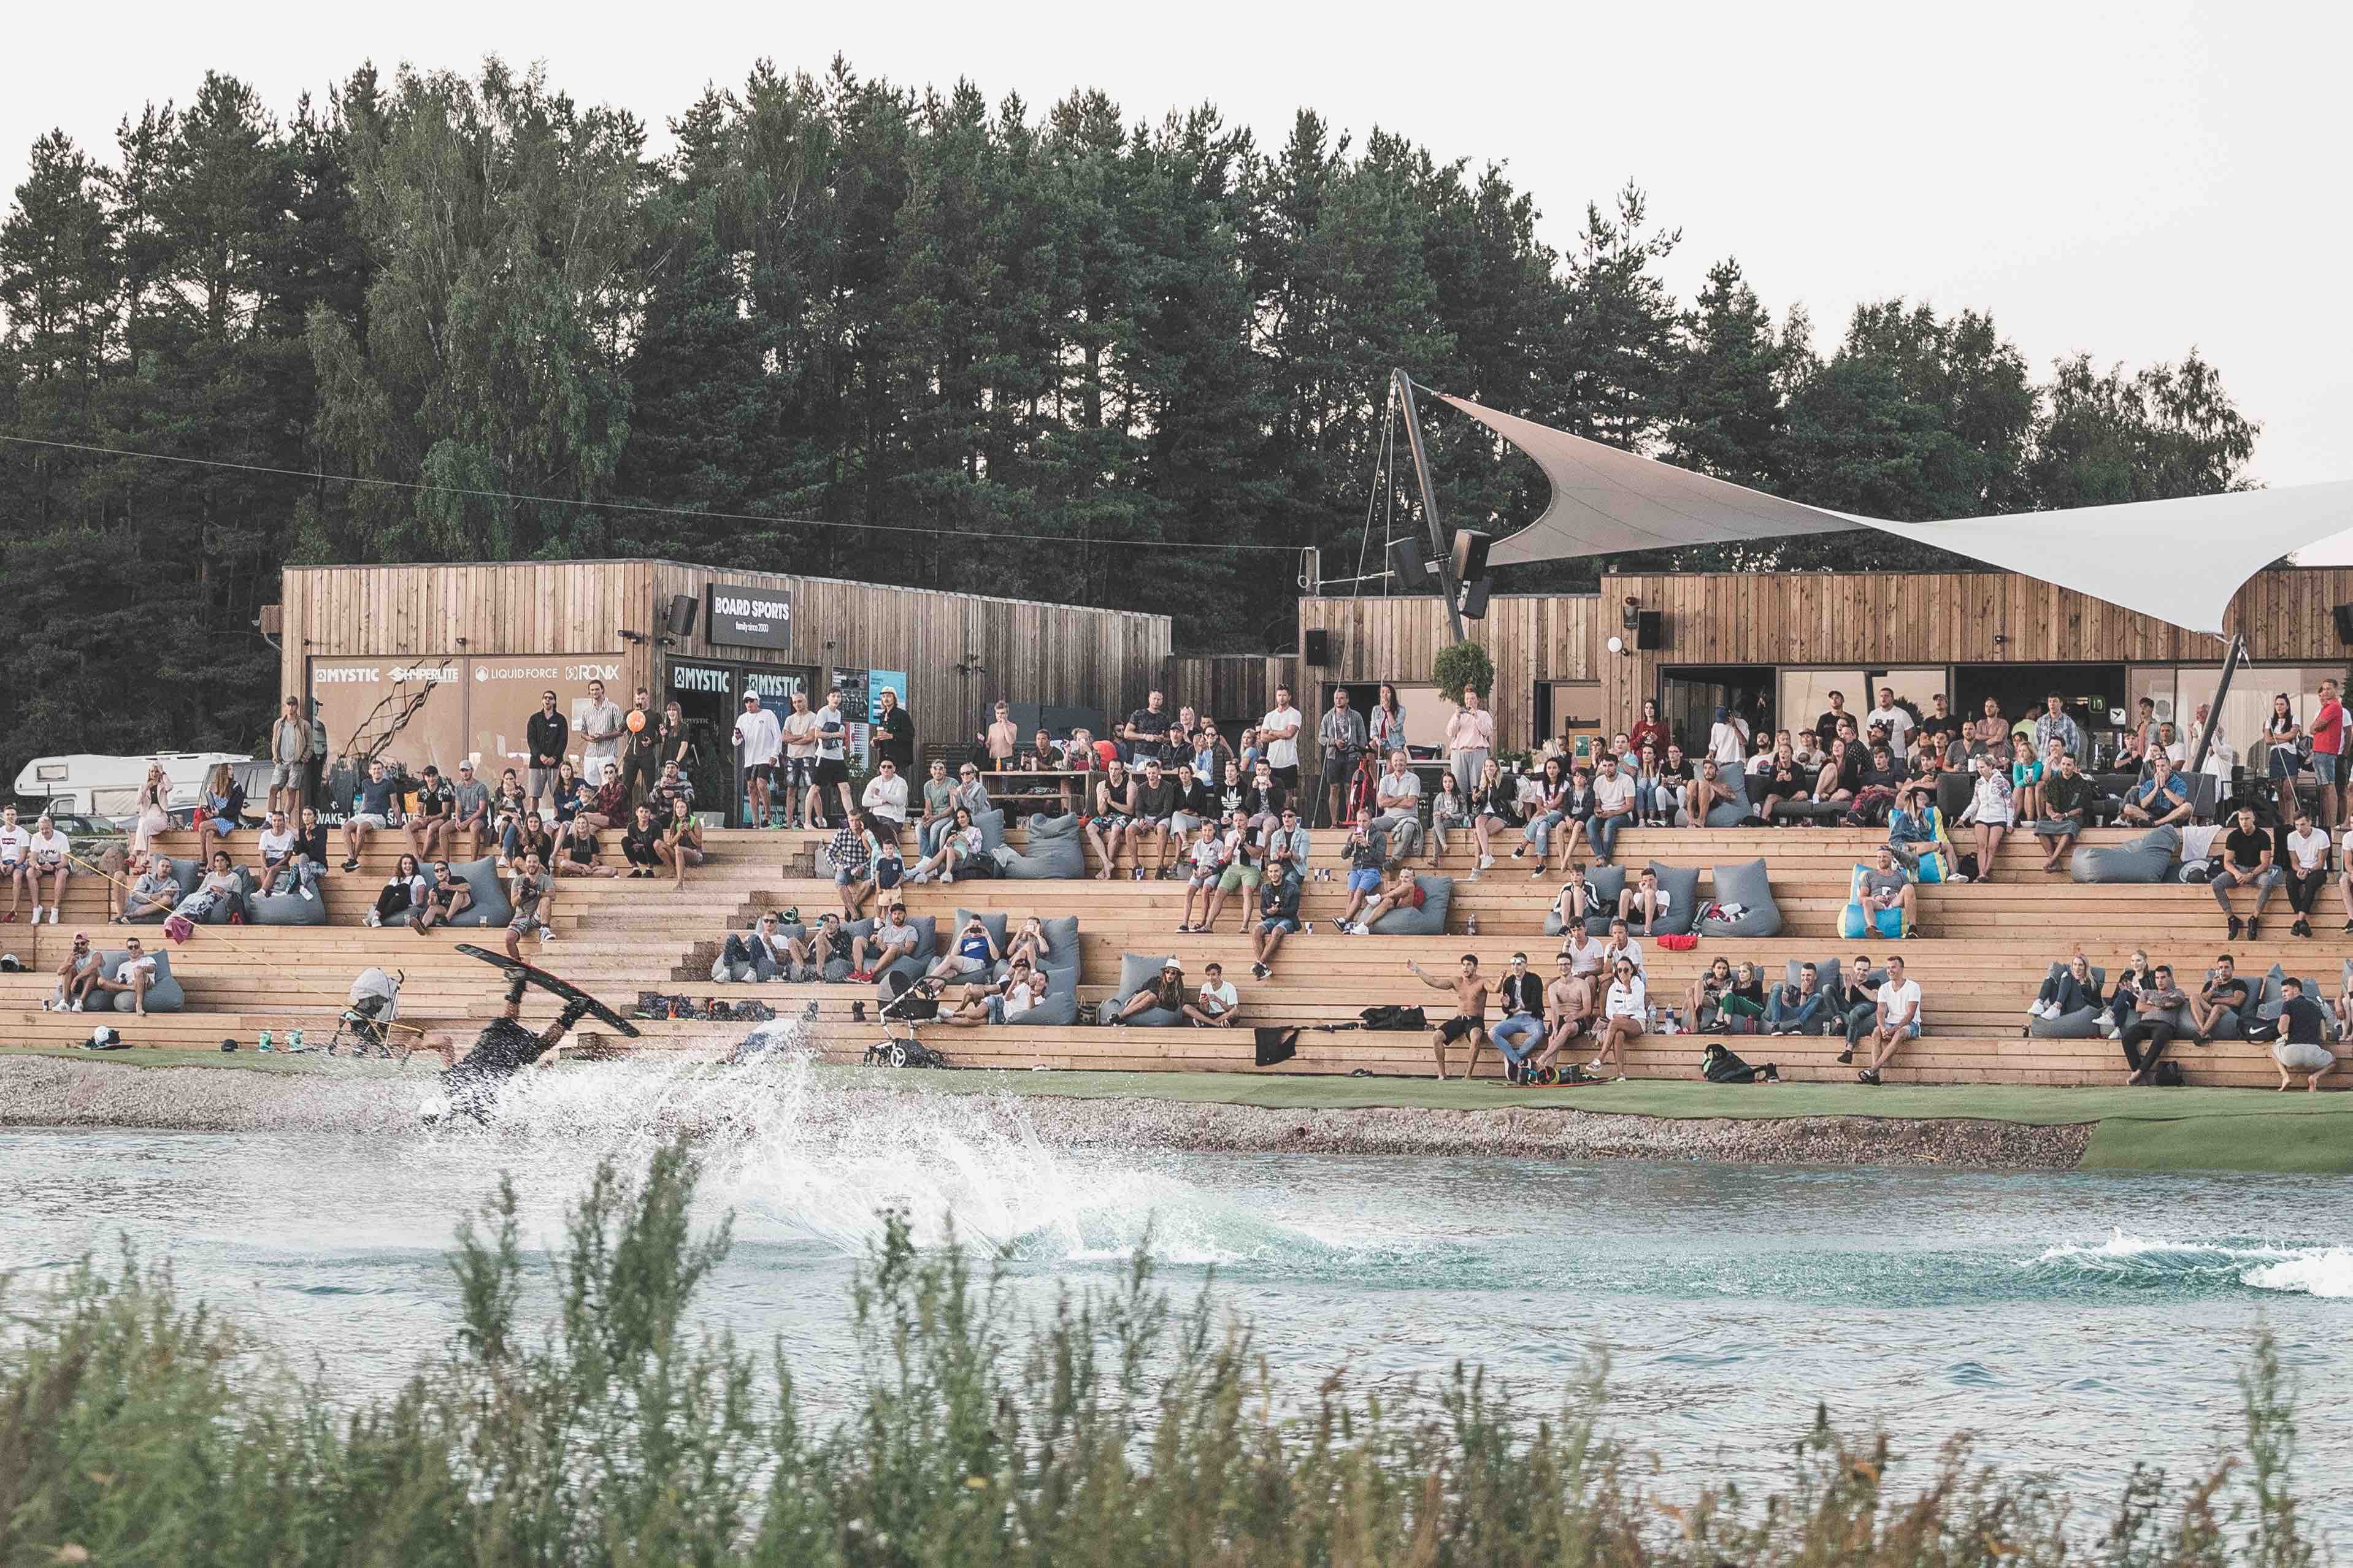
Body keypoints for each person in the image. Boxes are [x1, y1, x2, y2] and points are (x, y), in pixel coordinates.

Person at [1408, 953, 1491, 1080]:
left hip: (1475, 1020)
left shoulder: (1482, 982)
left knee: (1476, 1036)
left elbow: (1495, 989)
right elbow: (1434, 982)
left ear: (1475, 967)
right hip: (1459, 1019)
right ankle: (1442, 1074)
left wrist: (1501, 980)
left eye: (1469, 965)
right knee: (1437, 1036)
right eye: (1463, 965)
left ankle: (1468, 1075)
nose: (1465, 968)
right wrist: (1417, 970)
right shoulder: (1457, 981)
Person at [2210, 804, 2281, 939]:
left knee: (2267, 882)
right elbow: (2227, 862)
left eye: (2247, 819)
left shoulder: (2263, 836)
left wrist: (2252, 874)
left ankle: (2254, 918)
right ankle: (2231, 919)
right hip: (2239, 870)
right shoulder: (2233, 836)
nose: (2244, 822)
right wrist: (2237, 874)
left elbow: (2265, 864)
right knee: (2216, 883)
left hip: (2257, 871)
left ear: (2253, 818)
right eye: (2241, 819)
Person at [1852, 954, 1919, 1084]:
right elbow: (1881, 1012)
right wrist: (1883, 1028)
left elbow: (1910, 1014)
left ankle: (1873, 1069)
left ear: (1902, 969)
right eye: (1888, 968)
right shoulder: (1884, 988)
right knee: (1876, 1032)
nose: (1890, 971)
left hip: (1911, 1024)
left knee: (1900, 1033)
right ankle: (1875, 1076)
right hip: (1890, 1022)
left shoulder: (1913, 987)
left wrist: (1893, 1029)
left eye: (1893, 967)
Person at [2120, 964, 2189, 1085]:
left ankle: (2139, 1073)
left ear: (2170, 978)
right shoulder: (2147, 992)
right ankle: (2139, 1073)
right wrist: (2160, 1005)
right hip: (2145, 1023)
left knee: (2160, 1036)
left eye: (2163, 978)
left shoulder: (2178, 992)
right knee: (2127, 1037)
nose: (2160, 981)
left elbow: (2171, 1004)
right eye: (2157, 978)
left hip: (2165, 1025)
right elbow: (2139, 1007)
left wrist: (2152, 1003)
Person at [2266, 977, 2337, 1092]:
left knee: (2273, 1050)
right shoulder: (2316, 1008)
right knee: (2333, 1062)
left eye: (2286, 991)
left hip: (2291, 1054)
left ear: (2296, 990)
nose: (2283, 995)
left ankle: (2286, 1077)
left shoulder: (2287, 1005)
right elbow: (2323, 1036)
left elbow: (2282, 1029)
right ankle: (2315, 1077)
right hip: (2314, 1053)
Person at [2031, 751, 2096, 873]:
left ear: (2075, 767)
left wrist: (2065, 815)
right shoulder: (2053, 782)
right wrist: (2052, 815)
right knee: (2040, 825)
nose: (2065, 767)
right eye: (2064, 764)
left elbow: (2082, 809)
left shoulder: (2082, 784)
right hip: (2056, 817)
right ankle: (2055, 862)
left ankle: (2052, 860)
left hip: (2073, 817)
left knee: (2071, 827)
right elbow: (2048, 806)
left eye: (2069, 765)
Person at [1956, 752, 2014, 882]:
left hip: (1998, 817)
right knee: (1981, 845)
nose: (1980, 770)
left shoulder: (2002, 782)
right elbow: (1975, 803)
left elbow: (2009, 803)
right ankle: (1981, 873)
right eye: (1978, 768)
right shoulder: (1979, 783)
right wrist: (1963, 818)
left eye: (1982, 767)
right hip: (1982, 816)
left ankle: (1985, 872)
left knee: (1992, 846)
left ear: (1990, 767)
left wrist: (2010, 822)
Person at [1489, 953, 1548, 1080]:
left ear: (1526, 965)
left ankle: (1513, 1058)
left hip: (1532, 1017)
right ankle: (1517, 1061)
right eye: (1513, 964)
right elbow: (1507, 1010)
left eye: (1519, 964)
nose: (1515, 967)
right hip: (1514, 1019)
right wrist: (1505, 1005)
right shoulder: (1509, 982)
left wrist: (1521, 1007)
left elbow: (1536, 1003)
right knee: (1492, 1033)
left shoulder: (1535, 979)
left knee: (1539, 1033)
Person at [1535, 954, 1595, 1074]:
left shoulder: (1582, 984)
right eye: (1561, 965)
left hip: (1578, 1020)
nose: (1564, 967)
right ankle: (1548, 1076)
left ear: (1572, 966)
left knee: (1567, 1027)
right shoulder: (1553, 987)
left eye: (1566, 964)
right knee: (1553, 1040)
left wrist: (1574, 1016)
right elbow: (1555, 1010)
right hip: (1560, 1018)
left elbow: (1587, 1010)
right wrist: (1555, 1028)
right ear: (1557, 966)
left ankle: (1543, 1056)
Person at [1197, 825, 1264, 934]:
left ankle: (1245, 926)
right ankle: (1208, 925)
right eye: (1236, 820)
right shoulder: (1231, 835)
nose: (1239, 823)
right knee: (1219, 892)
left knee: (1247, 891)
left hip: (1251, 867)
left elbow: (1257, 855)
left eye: (1241, 820)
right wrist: (1233, 846)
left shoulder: (1257, 834)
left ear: (1247, 821)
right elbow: (1226, 859)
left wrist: (1244, 843)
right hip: (1234, 867)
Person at [1589, 955, 1645, 1080]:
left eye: (1626, 970)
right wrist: (1618, 1016)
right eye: (1619, 970)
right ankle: (1621, 1074)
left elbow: (1633, 1006)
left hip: (1636, 1022)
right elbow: (1609, 1012)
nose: (1622, 973)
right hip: (1619, 1022)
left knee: (1614, 1024)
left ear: (1632, 970)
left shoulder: (1638, 985)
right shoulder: (1613, 988)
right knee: (1618, 1034)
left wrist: (1628, 988)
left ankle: (1600, 1058)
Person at [77, 933, 159, 1015]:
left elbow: (152, 969)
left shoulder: (148, 959)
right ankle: (133, 988)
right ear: (127, 950)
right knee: (101, 981)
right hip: (129, 985)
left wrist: (143, 968)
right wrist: (110, 982)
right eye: (131, 947)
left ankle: (139, 1005)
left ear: (140, 949)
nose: (134, 949)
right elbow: (117, 980)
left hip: (145, 982)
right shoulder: (123, 966)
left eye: (136, 947)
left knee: (137, 971)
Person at [1127, 760, 1184, 879]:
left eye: (1154, 773)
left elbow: (1167, 810)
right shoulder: (1142, 788)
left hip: (1162, 817)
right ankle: (1136, 866)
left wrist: (1154, 821)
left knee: (1162, 828)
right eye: (1149, 773)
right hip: (1146, 816)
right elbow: (1138, 809)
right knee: (1129, 830)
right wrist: (1141, 819)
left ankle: (1160, 866)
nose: (1151, 776)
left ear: (1159, 772)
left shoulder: (1167, 786)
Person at [1512, 756, 1570, 870]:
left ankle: (1522, 847)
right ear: (1546, 770)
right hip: (1544, 817)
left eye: (1554, 768)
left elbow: (1558, 802)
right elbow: (1538, 803)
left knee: (1538, 819)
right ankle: (1541, 865)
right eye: (1549, 768)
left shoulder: (1564, 784)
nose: (1551, 770)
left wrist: (1543, 811)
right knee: (1542, 829)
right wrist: (1541, 811)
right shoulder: (1541, 785)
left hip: (1558, 815)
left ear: (1559, 770)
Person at [340, 760, 398, 871]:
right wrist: (360, 814)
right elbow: (365, 801)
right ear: (370, 771)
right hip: (364, 814)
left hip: (379, 816)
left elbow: (395, 804)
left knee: (361, 827)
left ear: (383, 770)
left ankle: (353, 861)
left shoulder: (389, 784)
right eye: (374, 769)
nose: (377, 771)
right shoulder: (366, 783)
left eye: (379, 769)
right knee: (346, 827)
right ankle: (352, 859)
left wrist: (400, 823)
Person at [2279, 809, 2328, 938]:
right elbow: (2294, 862)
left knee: (2311, 883)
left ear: (2310, 823)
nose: (2299, 829)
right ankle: (2302, 923)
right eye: (2297, 825)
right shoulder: (2292, 836)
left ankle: (2299, 921)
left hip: (2316, 869)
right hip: (2301, 868)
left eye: (2303, 825)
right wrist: (2299, 870)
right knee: (2290, 882)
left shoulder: (2321, 835)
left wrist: (2309, 871)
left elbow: (2321, 863)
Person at [849, 902, 923, 984]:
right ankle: (858, 973)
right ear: (891, 916)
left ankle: (870, 974)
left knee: (894, 946)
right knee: (858, 939)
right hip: (880, 951)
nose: (897, 916)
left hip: (895, 953)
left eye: (900, 914)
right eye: (894, 914)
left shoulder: (910, 930)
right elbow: (877, 945)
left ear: (905, 915)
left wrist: (891, 948)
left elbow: (908, 950)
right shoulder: (884, 930)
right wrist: (874, 941)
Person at [1249, 865, 1302, 979]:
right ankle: (1262, 967)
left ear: (1282, 872)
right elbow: (1263, 909)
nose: (1274, 874)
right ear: (1268, 873)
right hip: (1271, 919)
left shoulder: (1293, 887)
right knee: (1257, 930)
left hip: (1288, 920)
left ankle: (1260, 964)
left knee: (1277, 931)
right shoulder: (1265, 887)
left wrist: (1279, 910)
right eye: (1271, 871)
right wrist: (1269, 911)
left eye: (1276, 871)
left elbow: (1294, 910)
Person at [909, 806, 984, 886]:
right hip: (951, 853)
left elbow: (977, 851)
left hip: (966, 855)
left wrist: (965, 841)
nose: (960, 820)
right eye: (958, 818)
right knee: (946, 849)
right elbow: (945, 849)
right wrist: (948, 842)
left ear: (968, 818)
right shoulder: (955, 831)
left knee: (948, 849)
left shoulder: (975, 831)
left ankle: (948, 873)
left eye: (963, 817)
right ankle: (923, 873)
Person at [2026, 953, 2103, 1030]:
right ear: (2072, 966)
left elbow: (2099, 1006)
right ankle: (2039, 1003)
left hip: (2080, 1011)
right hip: (2064, 1010)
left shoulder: (2092, 983)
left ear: (2085, 967)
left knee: (2067, 975)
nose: (2077, 968)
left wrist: (2084, 998)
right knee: (2050, 979)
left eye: (2080, 965)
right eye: (2075, 964)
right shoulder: (2067, 981)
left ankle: (2057, 1006)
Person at [1443, 686, 1494, 801]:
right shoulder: (1459, 715)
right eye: (1467, 699)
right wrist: (1456, 717)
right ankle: (1461, 814)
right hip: (1459, 753)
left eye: (1472, 698)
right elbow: (1450, 733)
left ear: (1478, 700)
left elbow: (1488, 731)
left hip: (1478, 752)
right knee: (1459, 785)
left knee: (1479, 785)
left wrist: (1476, 717)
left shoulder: (1483, 714)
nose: (1469, 701)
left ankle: (1477, 813)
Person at [266, 695, 315, 817]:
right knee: (273, 789)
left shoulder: (304, 725)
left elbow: (311, 745)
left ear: (297, 707)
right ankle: (268, 819)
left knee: (291, 790)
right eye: (288, 705)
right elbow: (274, 741)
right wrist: (275, 757)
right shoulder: (279, 723)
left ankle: (286, 817)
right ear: (285, 706)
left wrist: (303, 759)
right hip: (281, 762)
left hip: (296, 762)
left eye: (293, 705)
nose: (290, 707)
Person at [1370, 750, 1424, 860]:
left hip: (1408, 817)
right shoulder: (1385, 780)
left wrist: (1390, 801)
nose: (1398, 763)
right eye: (1395, 760)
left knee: (1408, 828)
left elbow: (1410, 803)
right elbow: (1381, 803)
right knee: (1372, 824)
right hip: (1389, 817)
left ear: (1406, 762)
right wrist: (1401, 798)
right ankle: (1375, 856)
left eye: (1401, 760)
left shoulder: (1414, 779)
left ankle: (1394, 860)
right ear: (1391, 762)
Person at [813, 686, 855, 827]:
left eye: (839, 697)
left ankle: (852, 820)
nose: (836, 699)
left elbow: (840, 735)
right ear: (828, 697)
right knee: (815, 789)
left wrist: (841, 737)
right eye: (834, 696)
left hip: (838, 756)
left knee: (845, 788)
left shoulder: (838, 714)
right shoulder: (823, 712)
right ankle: (811, 821)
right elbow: (817, 734)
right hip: (824, 756)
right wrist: (835, 735)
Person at [1084, 761, 1134, 881]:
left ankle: (1106, 868)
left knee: (1116, 828)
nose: (1113, 773)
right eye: (1111, 769)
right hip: (1109, 815)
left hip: (1124, 815)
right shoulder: (1102, 785)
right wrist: (1103, 800)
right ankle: (1107, 863)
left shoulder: (1130, 785)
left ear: (1122, 770)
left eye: (1116, 769)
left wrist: (1112, 802)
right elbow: (1101, 812)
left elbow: (1130, 810)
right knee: (1090, 828)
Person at [1345, 859, 1422, 935]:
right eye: (1401, 877)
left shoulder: (1416, 889)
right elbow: (1393, 901)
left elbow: (1416, 905)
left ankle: (1379, 897)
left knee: (1408, 886)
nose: (1403, 880)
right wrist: (1392, 891)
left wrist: (1402, 893)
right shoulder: (1397, 887)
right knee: (1388, 900)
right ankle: (1364, 927)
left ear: (1413, 878)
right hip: (1396, 912)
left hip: (1407, 913)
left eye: (1407, 877)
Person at [2185, 953, 2250, 1042]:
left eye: (2226, 967)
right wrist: (2212, 988)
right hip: (2211, 1011)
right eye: (2220, 968)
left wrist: (2215, 1000)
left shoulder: (2239, 983)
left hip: (2229, 1014)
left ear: (2233, 968)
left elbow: (2237, 1001)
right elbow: (2201, 1001)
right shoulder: (2211, 984)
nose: (2223, 970)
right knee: (2194, 997)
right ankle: (2204, 1033)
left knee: (2218, 1007)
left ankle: (2202, 1033)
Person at [1851, 846, 1914, 938]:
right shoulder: (1869, 875)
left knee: (1909, 887)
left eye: (1884, 857)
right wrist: (1875, 898)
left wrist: (1895, 896)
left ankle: (1913, 928)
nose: (1881, 859)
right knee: (1866, 901)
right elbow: (1861, 898)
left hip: (1895, 902)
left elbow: (1909, 896)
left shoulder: (1901, 875)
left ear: (1892, 858)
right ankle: (1873, 929)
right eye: (1879, 857)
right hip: (1878, 903)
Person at [1178, 820, 1229, 933]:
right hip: (1200, 871)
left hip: (1212, 871)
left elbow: (1222, 864)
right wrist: (1194, 870)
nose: (1207, 833)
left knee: (1205, 890)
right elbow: (1193, 861)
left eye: (1210, 830)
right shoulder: (1198, 843)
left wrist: (1210, 872)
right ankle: (1185, 924)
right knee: (1189, 892)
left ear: (1214, 831)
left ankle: (1203, 922)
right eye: (1205, 830)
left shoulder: (1219, 844)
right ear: (1202, 831)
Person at [1587, 753, 1637, 867]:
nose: (1607, 769)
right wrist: (1598, 811)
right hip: (1604, 813)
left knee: (1610, 824)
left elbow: (1630, 806)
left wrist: (1612, 814)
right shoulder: (1598, 781)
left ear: (1617, 766)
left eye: (1610, 765)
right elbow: (1597, 805)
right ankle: (1602, 860)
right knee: (1590, 823)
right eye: (1604, 766)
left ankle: (1604, 860)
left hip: (1622, 815)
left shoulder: (1627, 780)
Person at [1467, 759, 1515, 876]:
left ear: (1497, 768)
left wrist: (1492, 782)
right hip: (1486, 815)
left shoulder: (1504, 782)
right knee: (1478, 820)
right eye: (1487, 767)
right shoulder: (1482, 785)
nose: (1489, 769)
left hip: (1500, 815)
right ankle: (1487, 856)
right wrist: (1474, 800)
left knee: (1477, 834)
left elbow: (1499, 797)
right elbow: (1478, 807)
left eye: (1491, 766)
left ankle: (1476, 869)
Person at [2117, 755, 2192, 828]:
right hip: (2150, 816)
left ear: (2169, 767)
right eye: (2158, 766)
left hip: (2171, 816)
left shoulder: (2179, 783)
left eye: (2163, 766)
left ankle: (2156, 824)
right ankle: (2154, 823)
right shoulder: (2149, 784)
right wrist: (2156, 788)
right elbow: (2143, 805)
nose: (2160, 769)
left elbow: (2179, 802)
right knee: (2127, 808)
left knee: (2188, 807)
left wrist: (2163, 788)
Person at [1832, 955, 1881, 1063]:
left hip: (1868, 1006)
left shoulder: (1875, 982)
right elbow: (1847, 1007)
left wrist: (1857, 984)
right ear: (1854, 969)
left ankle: (1849, 1049)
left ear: (1869, 971)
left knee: (1854, 1012)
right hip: (1853, 1012)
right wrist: (1849, 989)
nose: (1861, 972)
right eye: (1859, 969)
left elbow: (1874, 998)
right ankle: (1848, 1053)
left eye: (1865, 970)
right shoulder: (1848, 985)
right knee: (1850, 1013)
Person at [525, 690, 570, 809]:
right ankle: (532, 819)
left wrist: (554, 757)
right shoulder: (534, 719)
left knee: (558, 795)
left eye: (550, 698)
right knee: (534, 795)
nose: (547, 700)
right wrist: (540, 755)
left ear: (554, 701)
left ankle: (558, 820)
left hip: (555, 764)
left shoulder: (561, 720)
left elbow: (563, 741)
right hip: (536, 763)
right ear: (542, 701)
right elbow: (531, 740)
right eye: (545, 698)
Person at [398, 763, 451, 860]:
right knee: (406, 827)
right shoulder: (422, 791)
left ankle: (423, 857)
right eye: (428, 776)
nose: (431, 779)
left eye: (433, 776)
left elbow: (445, 813)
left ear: (437, 776)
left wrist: (430, 819)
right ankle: (416, 857)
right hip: (428, 818)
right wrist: (420, 818)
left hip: (442, 819)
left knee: (431, 827)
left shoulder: (445, 791)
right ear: (425, 777)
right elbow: (420, 810)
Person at [783, 911, 855, 981]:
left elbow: (844, 951)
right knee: (791, 941)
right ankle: (802, 970)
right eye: (827, 923)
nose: (829, 925)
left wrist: (821, 935)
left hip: (833, 956)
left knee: (819, 938)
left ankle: (819, 973)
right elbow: (810, 950)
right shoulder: (821, 935)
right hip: (816, 957)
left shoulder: (844, 935)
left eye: (833, 923)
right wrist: (822, 932)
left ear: (838, 925)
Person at [408, 859, 474, 935]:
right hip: (448, 908)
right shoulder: (436, 886)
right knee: (432, 908)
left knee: (460, 892)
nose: (439, 872)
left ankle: (446, 919)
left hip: (464, 905)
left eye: (442, 870)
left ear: (448, 871)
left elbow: (468, 887)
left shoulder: (458, 879)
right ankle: (423, 926)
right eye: (437, 871)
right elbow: (435, 903)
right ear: (434, 873)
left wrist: (449, 887)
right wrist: (431, 899)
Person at [827, 812, 873, 919]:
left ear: (861, 821)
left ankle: (851, 907)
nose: (854, 823)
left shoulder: (868, 835)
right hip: (846, 867)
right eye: (851, 820)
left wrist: (863, 867)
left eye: (857, 820)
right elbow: (829, 852)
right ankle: (855, 914)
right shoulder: (842, 834)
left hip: (863, 866)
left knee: (872, 881)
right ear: (848, 821)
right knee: (839, 881)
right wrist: (837, 866)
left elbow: (874, 856)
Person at [1765, 962, 1830, 1035]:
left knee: (1819, 996)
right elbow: (1784, 996)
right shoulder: (1792, 988)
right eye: (1803, 975)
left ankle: (1797, 1026)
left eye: (1809, 975)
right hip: (1781, 1011)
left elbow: (1802, 1011)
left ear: (1815, 977)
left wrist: (1804, 993)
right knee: (1778, 985)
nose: (1805, 978)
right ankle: (1775, 1026)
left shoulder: (1815, 998)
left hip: (1794, 1015)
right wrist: (1783, 996)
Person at [47, 930, 103, 1012]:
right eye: (77, 944)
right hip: (78, 985)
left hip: (94, 984)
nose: (80, 946)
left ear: (88, 943)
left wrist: (76, 979)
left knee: (92, 973)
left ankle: (80, 1003)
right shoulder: (72, 955)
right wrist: (70, 963)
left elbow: (92, 967)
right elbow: (59, 972)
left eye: (83, 943)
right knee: (69, 969)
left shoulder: (96, 955)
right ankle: (65, 1003)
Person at [656, 795, 704, 890]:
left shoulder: (694, 821)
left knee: (678, 849)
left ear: (687, 810)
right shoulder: (674, 824)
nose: (680, 809)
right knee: (659, 844)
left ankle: (680, 884)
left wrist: (690, 832)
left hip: (695, 854)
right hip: (679, 854)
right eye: (677, 807)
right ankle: (671, 871)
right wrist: (679, 833)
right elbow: (671, 844)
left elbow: (699, 844)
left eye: (682, 807)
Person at [861, 757, 910, 844]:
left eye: (889, 767)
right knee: (863, 834)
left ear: (894, 769)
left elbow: (900, 801)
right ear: (880, 769)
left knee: (883, 834)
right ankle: (872, 854)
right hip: (875, 817)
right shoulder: (875, 781)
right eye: (884, 767)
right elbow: (865, 802)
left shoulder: (901, 782)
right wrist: (882, 801)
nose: (886, 769)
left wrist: (880, 793)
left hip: (892, 818)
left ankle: (886, 855)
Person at [120, 855, 180, 924]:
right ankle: (122, 917)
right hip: (137, 906)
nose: (164, 869)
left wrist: (170, 898)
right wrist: (156, 896)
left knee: (167, 899)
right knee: (119, 876)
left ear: (170, 870)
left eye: (167, 867)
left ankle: (131, 916)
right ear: (157, 868)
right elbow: (135, 895)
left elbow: (174, 904)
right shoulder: (145, 878)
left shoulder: (173, 883)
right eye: (162, 866)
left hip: (159, 911)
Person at [1618, 865, 1672, 937]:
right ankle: (1621, 928)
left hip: (1653, 917)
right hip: (1638, 917)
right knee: (1625, 892)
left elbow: (1660, 911)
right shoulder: (1638, 895)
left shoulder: (1664, 894)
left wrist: (1649, 894)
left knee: (1650, 893)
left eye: (1651, 880)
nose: (1649, 883)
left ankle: (1647, 929)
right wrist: (1643, 893)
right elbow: (1639, 910)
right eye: (1645, 881)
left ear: (1656, 880)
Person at [870, 686, 915, 775]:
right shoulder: (882, 716)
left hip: (899, 759)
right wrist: (876, 742)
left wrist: (892, 736)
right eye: (884, 696)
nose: (886, 699)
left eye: (889, 696)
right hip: (884, 758)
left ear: (894, 699)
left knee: (897, 787)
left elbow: (910, 735)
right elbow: (882, 736)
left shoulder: (902, 715)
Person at [129, 763, 171, 854]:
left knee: (143, 824)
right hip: (147, 816)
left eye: (156, 771)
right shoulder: (143, 786)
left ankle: (135, 854)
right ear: (149, 772)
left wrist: (162, 772)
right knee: (143, 824)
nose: (154, 774)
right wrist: (146, 788)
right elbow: (138, 802)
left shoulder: (163, 786)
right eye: (152, 771)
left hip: (160, 818)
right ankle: (145, 862)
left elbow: (170, 786)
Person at [1185, 962, 1240, 1028]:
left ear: (1220, 975)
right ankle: (1217, 1024)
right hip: (1209, 1015)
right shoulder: (1205, 987)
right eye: (1208, 975)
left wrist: (1218, 1000)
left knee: (1235, 1011)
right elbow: (1205, 1010)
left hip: (1223, 1016)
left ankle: (1206, 1024)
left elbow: (1231, 1009)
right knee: (1186, 1007)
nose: (1211, 978)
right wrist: (1203, 1004)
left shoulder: (1229, 987)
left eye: (1213, 975)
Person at [620, 803, 664, 879]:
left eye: (646, 812)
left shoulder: (657, 826)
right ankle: (636, 870)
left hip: (655, 856)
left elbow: (658, 843)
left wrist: (643, 845)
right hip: (641, 855)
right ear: (637, 813)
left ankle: (650, 870)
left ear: (650, 813)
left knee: (649, 842)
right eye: (641, 812)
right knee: (625, 841)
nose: (644, 814)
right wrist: (640, 846)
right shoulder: (631, 826)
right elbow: (633, 844)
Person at [1369, 683, 1408, 756]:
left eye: (1388, 692)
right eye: (1382, 692)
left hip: (1395, 744)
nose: (1385, 695)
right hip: (1381, 743)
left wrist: (1388, 710)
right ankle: (1373, 766)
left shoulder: (1401, 710)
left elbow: (1396, 728)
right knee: (1371, 746)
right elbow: (1373, 729)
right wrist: (1376, 739)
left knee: (1390, 766)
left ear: (1392, 695)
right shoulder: (1376, 709)